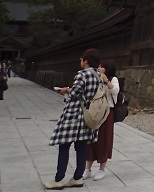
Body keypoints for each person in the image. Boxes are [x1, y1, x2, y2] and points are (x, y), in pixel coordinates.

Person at [46, 48, 102, 189]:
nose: (80, 62)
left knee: (64, 146)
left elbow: (74, 94)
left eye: (82, 59)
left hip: (74, 115)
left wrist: (65, 91)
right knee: (81, 147)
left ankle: (59, 180)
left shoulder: (82, 74)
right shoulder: (99, 76)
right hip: (88, 116)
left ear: (86, 61)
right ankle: (77, 178)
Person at [84, 59, 120, 181]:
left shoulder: (113, 79)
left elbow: (115, 91)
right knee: (91, 139)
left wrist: (106, 81)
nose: (99, 68)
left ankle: (102, 169)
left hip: (107, 112)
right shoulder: (96, 78)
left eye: (101, 67)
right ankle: (87, 169)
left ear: (107, 68)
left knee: (104, 139)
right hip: (95, 112)